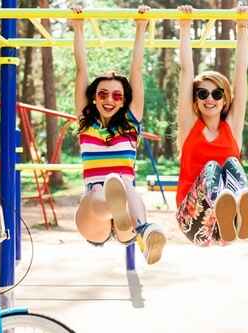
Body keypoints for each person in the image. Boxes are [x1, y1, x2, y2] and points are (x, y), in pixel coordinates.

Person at [70, 5, 166, 264]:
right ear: (93, 98)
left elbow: (136, 72)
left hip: (128, 218)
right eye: (102, 94)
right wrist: (77, 28)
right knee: (108, 188)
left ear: (124, 101)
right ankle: (117, 207)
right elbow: (81, 70)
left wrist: (140, 27)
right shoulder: (86, 123)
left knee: (123, 183)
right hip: (95, 217)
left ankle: (144, 230)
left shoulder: (131, 124)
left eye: (116, 95)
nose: (109, 100)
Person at [175, 5, 248, 246]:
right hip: (193, 222)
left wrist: (242, 28)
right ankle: (222, 202)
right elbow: (186, 71)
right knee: (212, 166)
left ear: (225, 99)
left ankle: (239, 208)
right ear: (195, 100)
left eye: (216, 93)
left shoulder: (232, 128)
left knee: (231, 163)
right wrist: (184, 27)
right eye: (202, 94)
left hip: (227, 229)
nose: (209, 98)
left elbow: (241, 75)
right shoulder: (189, 126)